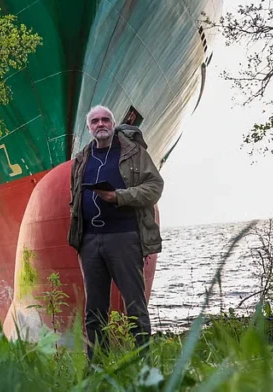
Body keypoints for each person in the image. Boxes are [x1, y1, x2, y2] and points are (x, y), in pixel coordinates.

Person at [67, 105, 163, 358]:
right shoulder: (81, 159)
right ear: (88, 127)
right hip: (90, 241)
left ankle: (144, 364)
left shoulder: (133, 152)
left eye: (105, 120)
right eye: (95, 121)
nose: (101, 124)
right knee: (94, 309)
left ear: (113, 123)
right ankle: (97, 367)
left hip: (124, 238)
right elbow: (74, 197)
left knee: (135, 304)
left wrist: (119, 196)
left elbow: (155, 186)